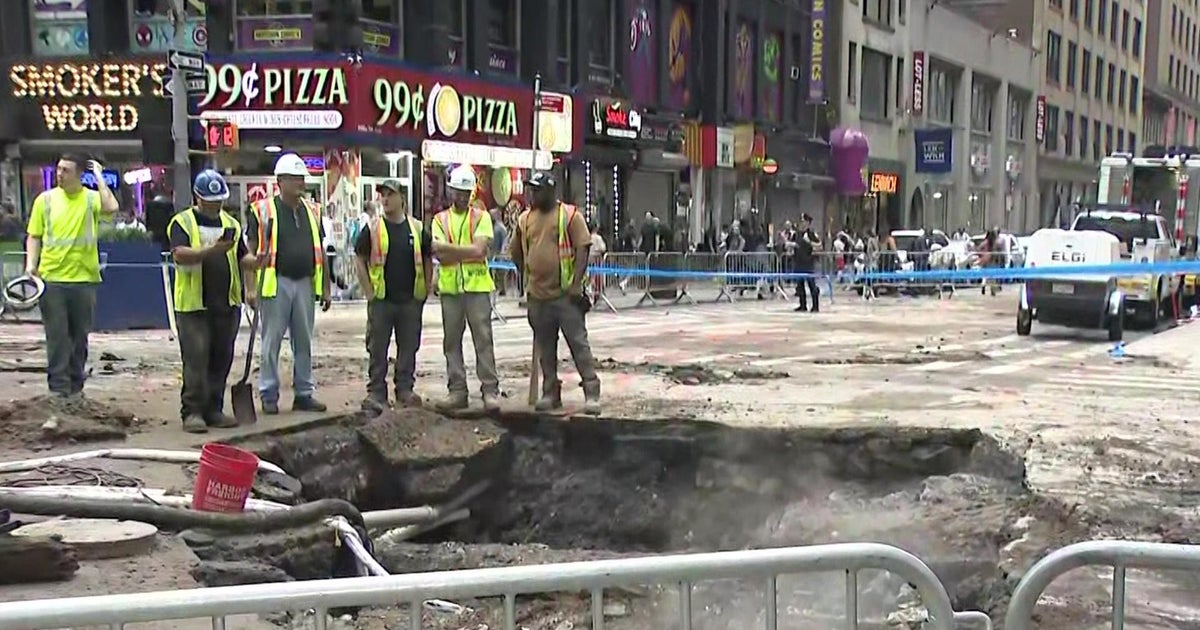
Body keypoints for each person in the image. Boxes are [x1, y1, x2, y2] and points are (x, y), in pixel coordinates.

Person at [167, 170, 257, 433]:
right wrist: (211, 251)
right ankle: (192, 411)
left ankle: (214, 409)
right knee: (196, 359)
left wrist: (259, 261)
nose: (215, 205)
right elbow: (180, 254)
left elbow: (242, 257)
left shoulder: (231, 224)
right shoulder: (182, 223)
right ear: (198, 197)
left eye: (219, 200)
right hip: (194, 305)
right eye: (210, 200)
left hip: (226, 304)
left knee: (221, 358)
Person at [24, 154, 118, 397]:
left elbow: (112, 207)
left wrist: (98, 176)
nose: (59, 174)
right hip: (52, 279)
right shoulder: (45, 201)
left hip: (84, 280)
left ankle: (76, 389)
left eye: (66, 170)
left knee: (79, 338)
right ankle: (59, 390)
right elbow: (34, 235)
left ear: (79, 174)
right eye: (58, 169)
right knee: (57, 338)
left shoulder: (90, 199)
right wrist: (30, 266)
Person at [245, 153, 331, 415]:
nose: (299, 183)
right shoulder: (263, 210)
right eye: (294, 178)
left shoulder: (312, 211)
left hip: (305, 282)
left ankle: (304, 392)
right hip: (276, 283)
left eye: (301, 178)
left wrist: (326, 287)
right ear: (279, 181)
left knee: (303, 341)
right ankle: (268, 393)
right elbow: (249, 250)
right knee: (271, 342)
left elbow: (321, 250)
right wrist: (250, 287)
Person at [510, 172, 601, 414]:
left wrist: (575, 283)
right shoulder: (525, 219)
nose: (532, 194)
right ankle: (551, 392)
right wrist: (525, 276)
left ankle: (591, 391)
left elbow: (583, 248)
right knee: (545, 347)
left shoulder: (569, 216)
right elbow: (516, 250)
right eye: (530, 190)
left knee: (578, 345)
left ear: (551, 190)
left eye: (537, 190)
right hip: (538, 296)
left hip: (564, 296)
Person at [353, 179, 433, 414]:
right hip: (382, 300)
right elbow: (359, 258)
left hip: (410, 299)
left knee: (408, 346)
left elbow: (428, 258)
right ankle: (377, 391)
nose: (385, 199)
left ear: (402, 199)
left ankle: (404, 389)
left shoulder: (417, 229)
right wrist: (368, 292)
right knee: (378, 347)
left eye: (390, 194)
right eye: (383, 195)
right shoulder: (373, 228)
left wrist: (426, 288)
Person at [431, 165, 500, 412]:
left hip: (477, 288)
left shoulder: (481, 218)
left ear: (471, 193)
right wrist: (466, 252)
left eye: (464, 192)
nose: (459, 196)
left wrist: (453, 253)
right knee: (451, 342)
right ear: (449, 191)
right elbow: (438, 252)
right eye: (456, 191)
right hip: (450, 290)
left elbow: (480, 250)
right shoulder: (440, 220)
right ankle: (457, 391)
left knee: (483, 340)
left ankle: (490, 391)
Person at [793, 214, 822, 312]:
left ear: (808, 223)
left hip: (808, 262)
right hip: (799, 262)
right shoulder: (798, 234)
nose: (801, 223)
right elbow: (796, 244)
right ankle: (802, 305)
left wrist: (809, 242)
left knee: (812, 285)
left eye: (803, 221)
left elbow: (819, 246)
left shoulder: (811, 234)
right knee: (800, 286)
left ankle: (815, 306)